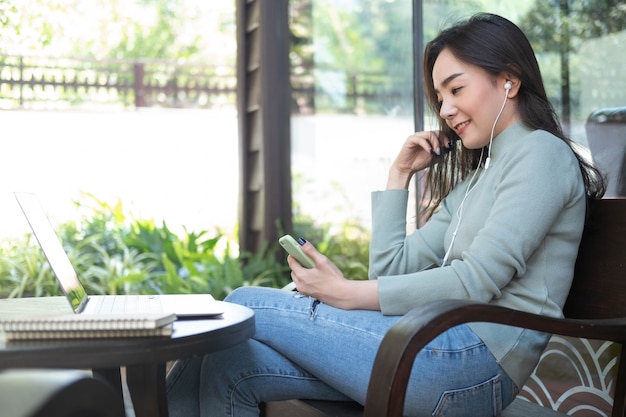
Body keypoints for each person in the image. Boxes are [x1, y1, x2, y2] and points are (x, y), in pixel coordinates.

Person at [166, 12, 605, 417]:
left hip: (472, 365)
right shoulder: (479, 179)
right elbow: (389, 269)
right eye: (440, 96)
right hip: (433, 347)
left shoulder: (541, 155)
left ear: (508, 81)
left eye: (456, 88)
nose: (446, 109)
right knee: (229, 359)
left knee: (246, 303)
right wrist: (399, 176)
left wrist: (344, 293)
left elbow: (475, 281)